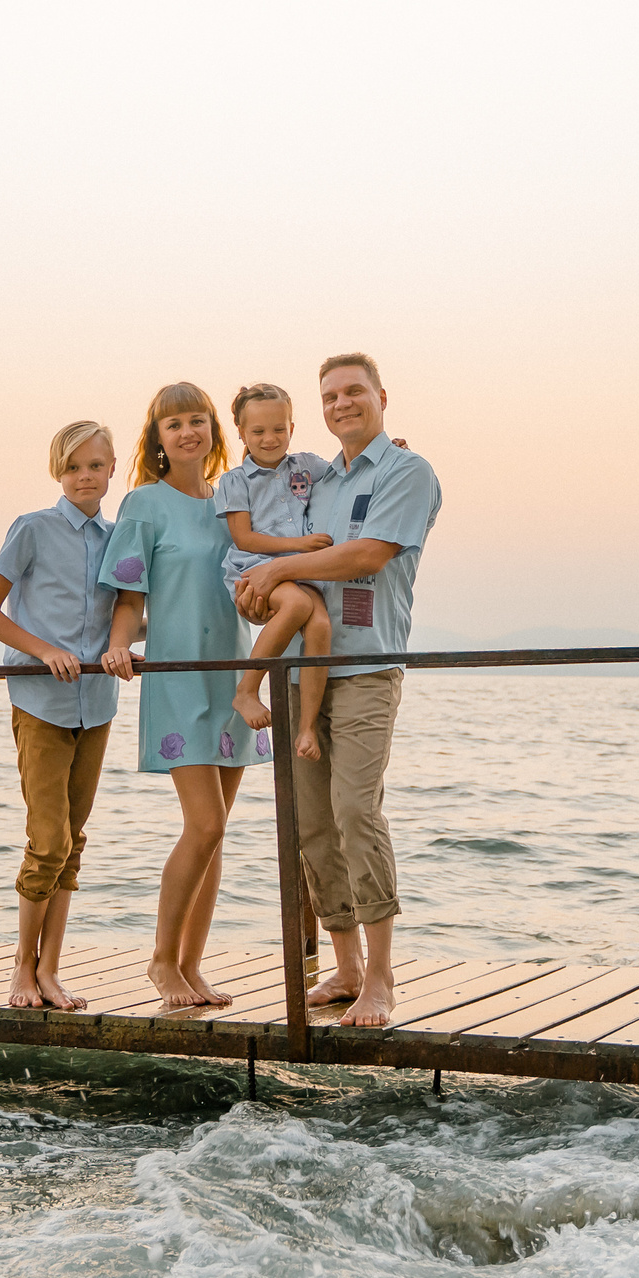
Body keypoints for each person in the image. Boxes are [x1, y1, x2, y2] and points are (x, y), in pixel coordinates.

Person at [235, 352, 441, 1028]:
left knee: (357, 811)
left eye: (354, 391)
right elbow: (263, 521)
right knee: (313, 828)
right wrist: (261, 586)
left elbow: (368, 554)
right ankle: (346, 966)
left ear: (382, 395)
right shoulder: (316, 481)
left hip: (368, 668)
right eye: (330, 396)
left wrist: (280, 566)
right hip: (302, 670)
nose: (342, 403)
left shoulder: (408, 472)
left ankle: (382, 980)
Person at [99, 382, 268, 1008]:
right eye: (174, 425)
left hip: (234, 678)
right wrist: (119, 645)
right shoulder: (144, 504)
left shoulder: (236, 498)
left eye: (198, 420)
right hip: (176, 677)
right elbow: (129, 598)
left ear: (213, 432)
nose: (188, 432)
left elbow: (301, 490)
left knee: (215, 832)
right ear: (159, 439)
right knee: (205, 822)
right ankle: (162, 961)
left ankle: (193, 967)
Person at [0, 420, 121, 1012]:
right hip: (40, 702)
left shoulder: (119, 538)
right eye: (74, 466)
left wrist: (120, 647)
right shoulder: (32, 528)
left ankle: (51, 973)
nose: (85, 476)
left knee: (72, 841)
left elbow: (129, 612)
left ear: (112, 469)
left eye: (96, 465)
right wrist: (45, 650)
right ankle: (19, 968)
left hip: (99, 703)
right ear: (58, 471)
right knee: (48, 838)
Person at [215, 382, 335, 762]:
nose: (270, 439)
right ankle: (247, 690)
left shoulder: (308, 466)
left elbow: (350, 474)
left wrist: (389, 454)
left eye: (279, 429)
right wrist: (298, 546)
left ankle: (306, 728)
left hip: (301, 571)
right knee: (298, 606)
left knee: (320, 627)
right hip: (254, 569)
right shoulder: (234, 481)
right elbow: (244, 537)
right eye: (258, 432)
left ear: (292, 428)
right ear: (240, 432)